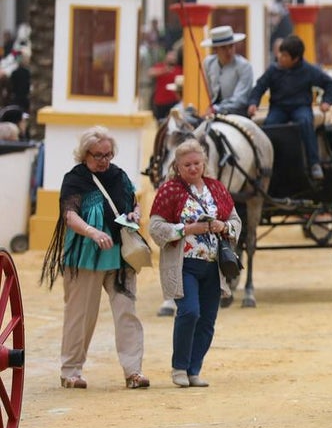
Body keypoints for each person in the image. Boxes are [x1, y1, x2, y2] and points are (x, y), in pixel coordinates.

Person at [39, 126, 150, 390]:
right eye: (98, 155)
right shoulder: (75, 178)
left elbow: (134, 202)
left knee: (127, 313)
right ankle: (71, 372)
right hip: (86, 255)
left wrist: (136, 214)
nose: (104, 160)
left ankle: (133, 371)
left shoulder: (119, 176)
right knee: (80, 315)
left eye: (108, 155)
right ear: (85, 154)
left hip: (120, 256)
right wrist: (92, 231)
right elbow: (69, 215)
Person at [148, 139, 241, 388]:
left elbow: (235, 221)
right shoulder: (169, 190)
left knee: (208, 320)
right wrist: (187, 229)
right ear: (178, 167)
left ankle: (194, 369)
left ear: (204, 163)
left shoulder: (217, 188)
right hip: (184, 264)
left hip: (213, 266)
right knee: (189, 312)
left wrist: (224, 226)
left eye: (196, 163)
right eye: (187, 164)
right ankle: (179, 366)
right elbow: (155, 228)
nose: (192, 168)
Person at [247, 34, 332, 180]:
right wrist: (253, 102)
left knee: (305, 122)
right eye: (280, 54)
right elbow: (259, 87)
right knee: (269, 126)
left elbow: (330, 84)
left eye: (284, 56)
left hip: (300, 107)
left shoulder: (309, 70)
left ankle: (314, 163)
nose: (280, 58)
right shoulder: (273, 70)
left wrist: (327, 101)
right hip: (279, 108)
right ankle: (264, 163)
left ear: (295, 59)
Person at [201, 25, 254, 116]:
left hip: (237, 113)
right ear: (215, 49)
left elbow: (240, 99)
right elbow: (210, 92)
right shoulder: (208, 63)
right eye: (223, 48)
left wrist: (217, 109)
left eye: (231, 46)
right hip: (213, 112)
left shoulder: (244, 66)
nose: (229, 51)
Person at [149, 47, 183, 121]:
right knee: (160, 122)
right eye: (170, 55)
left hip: (174, 102)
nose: (172, 58)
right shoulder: (160, 66)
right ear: (166, 56)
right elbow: (150, 73)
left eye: (174, 56)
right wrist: (164, 71)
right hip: (160, 102)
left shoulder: (179, 69)